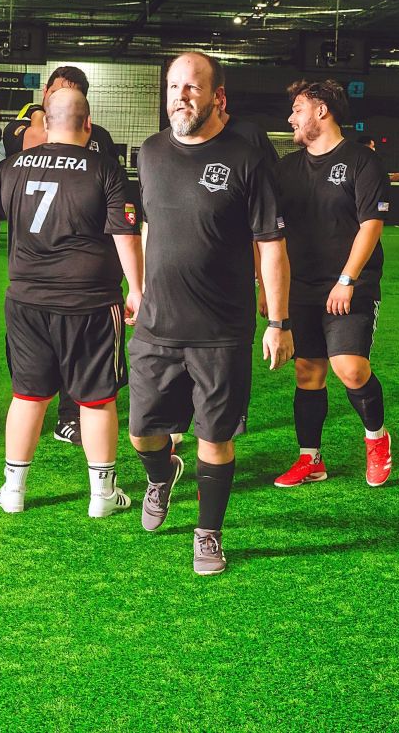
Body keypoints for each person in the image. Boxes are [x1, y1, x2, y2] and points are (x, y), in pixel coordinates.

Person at [0, 88, 143, 518]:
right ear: (87, 125)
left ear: (45, 126)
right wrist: (138, 289)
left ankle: (14, 490)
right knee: (96, 399)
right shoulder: (106, 169)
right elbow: (125, 235)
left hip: (26, 303)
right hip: (89, 303)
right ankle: (102, 495)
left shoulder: (11, 166)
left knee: (28, 395)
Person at [129, 51, 293, 576]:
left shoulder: (247, 157)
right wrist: (141, 288)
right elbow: (150, 225)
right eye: (174, 86)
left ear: (218, 96)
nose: (181, 96)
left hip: (221, 330)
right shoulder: (150, 153)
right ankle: (161, 475)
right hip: (156, 322)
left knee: (214, 439)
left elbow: (271, 244)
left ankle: (209, 534)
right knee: (140, 431)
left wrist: (278, 321)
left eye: (192, 88)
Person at [270, 79, 392, 490]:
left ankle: (376, 439)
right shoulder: (286, 169)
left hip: (349, 286)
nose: (291, 118)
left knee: (351, 369)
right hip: (301, 286)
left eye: (298, 109)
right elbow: (273, 233)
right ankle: (311, 459)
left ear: (322, 111)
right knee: (308, 372)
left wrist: (347, 279)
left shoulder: (362, 162)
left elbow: (371, 224)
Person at [3, 66, 119, 448]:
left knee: (82, 372)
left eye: (72, 92)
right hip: (35, 272)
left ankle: (69, 419)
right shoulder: (24, 130)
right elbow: (33, 139)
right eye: (56, 90)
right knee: (34, 380)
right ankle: (99, 486)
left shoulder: (101, 144)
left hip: (82, 269)